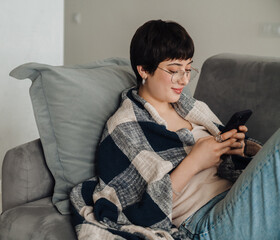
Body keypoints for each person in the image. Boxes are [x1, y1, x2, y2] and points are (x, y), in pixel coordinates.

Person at [70, 19, 280, 240]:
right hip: (203, 222)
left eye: (189, 68)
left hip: (235, 196)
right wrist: (194, 161)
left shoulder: (195, 108)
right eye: (174, 70)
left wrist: (235, 151)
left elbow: (225, 167)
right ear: (143, 69)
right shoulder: (124, 128)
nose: (185, 79)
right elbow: (137, 214)